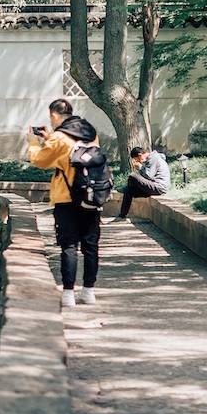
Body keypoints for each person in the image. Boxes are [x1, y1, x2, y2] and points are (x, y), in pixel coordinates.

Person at [26, 98, 103, 307]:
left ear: (54, 115)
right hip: (92, 196)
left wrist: (33, 142)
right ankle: (89, 291)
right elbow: (72, 151)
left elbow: (40, 160)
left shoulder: (59, 137)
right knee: (90, 246)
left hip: (66, 198)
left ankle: (68, 293)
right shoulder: (90, 132)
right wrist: (50, 137)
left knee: (69, 246)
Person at [110, 145, 170, 221]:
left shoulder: (154, 159)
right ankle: (122, 215)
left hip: (159, 187)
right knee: (129, 191)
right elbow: (146, 177)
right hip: (153, 186)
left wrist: (140, 167)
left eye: (137, 160)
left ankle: (126, 188)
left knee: (132, 176)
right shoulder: (150, 159)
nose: (138, 162)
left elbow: (149, 176)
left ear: (140, 155)